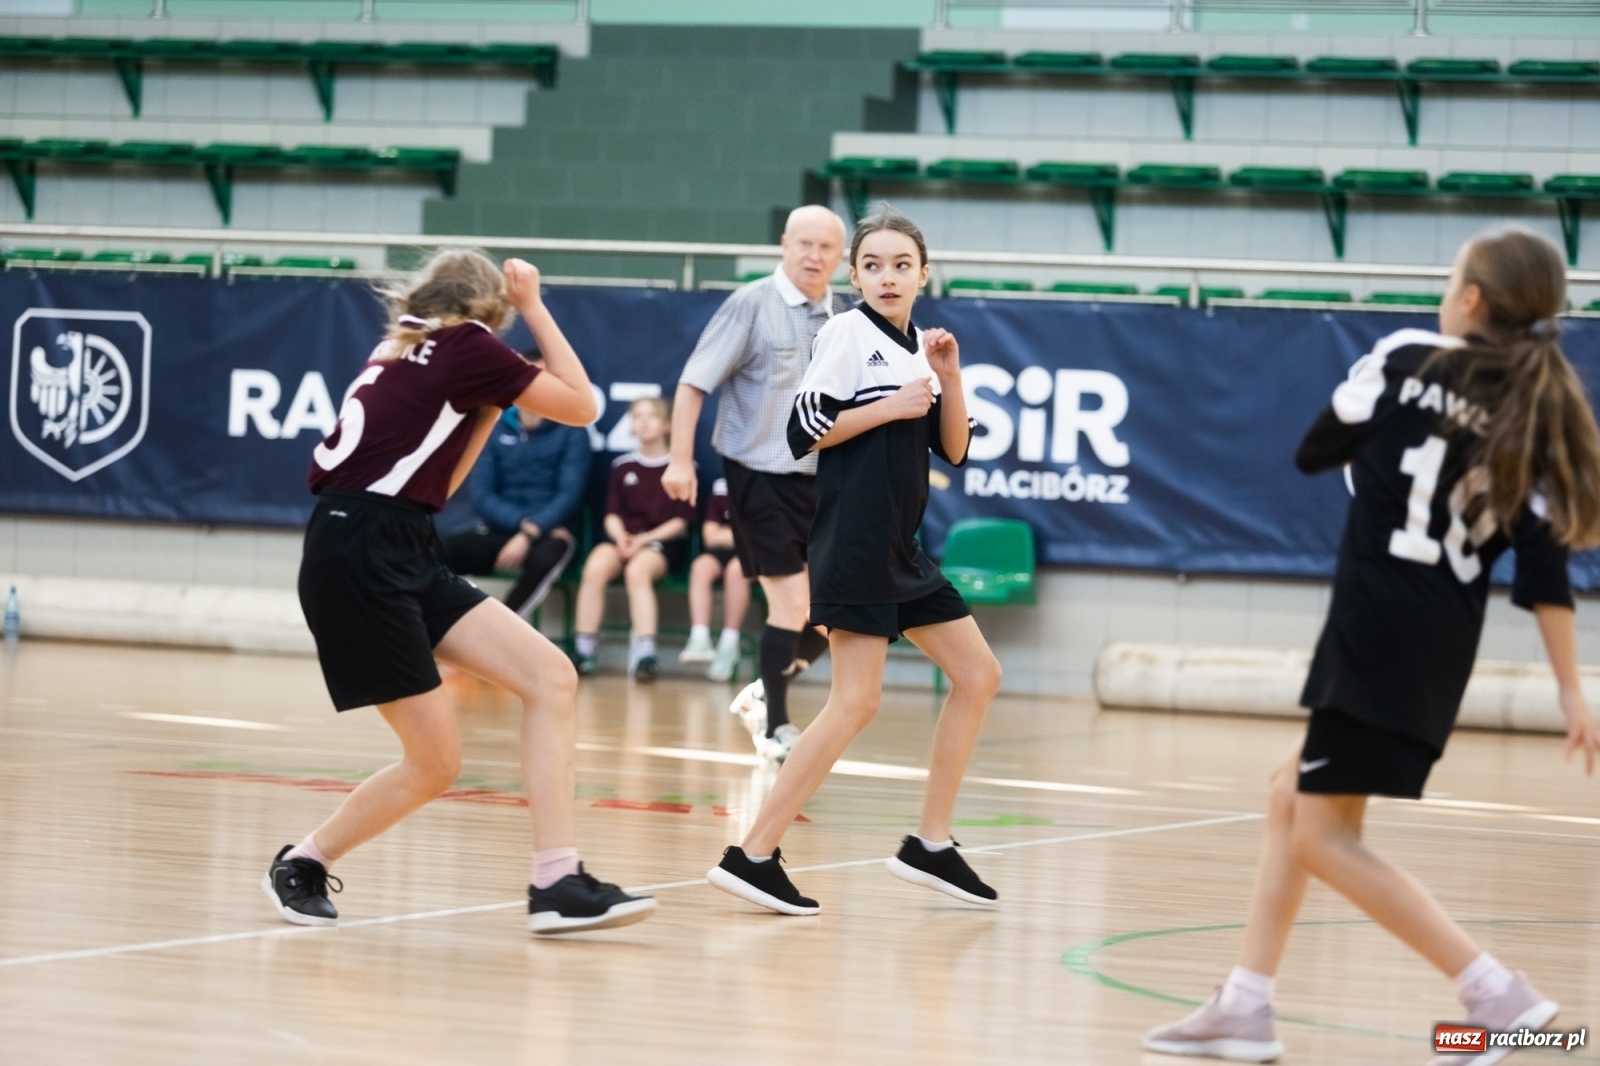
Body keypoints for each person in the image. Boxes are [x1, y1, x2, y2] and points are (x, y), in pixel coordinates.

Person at [1144, 227, 1600, 1064]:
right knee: (1292, 795)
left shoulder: (1406, 357)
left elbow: (1315, 450)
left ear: (1469, 299)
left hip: (1376, 629)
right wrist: (1574, 692)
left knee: (1322, 837)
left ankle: (1496, 995)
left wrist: (1380, 447)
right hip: (1437, 647)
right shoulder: (1530, 411)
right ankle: (1247, 1004)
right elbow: (1543, 572)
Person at [264, 248, 656, 936]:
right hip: (363, 550)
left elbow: (439, 487)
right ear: (490, 311)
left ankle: (557, 879)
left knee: (549, 677)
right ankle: (304, 860)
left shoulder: (400, 344)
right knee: (436, 761)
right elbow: (583, 404)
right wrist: (534, 302)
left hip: (391, 538)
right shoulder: (466, 343)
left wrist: (486, 408)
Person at [705, 207, 1003, 916]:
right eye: (873, 264)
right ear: (855, 275)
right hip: (855, 544)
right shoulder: (843, 333)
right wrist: (890, 407)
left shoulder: (918, 350)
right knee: (855, 702)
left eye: (902, 264)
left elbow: (954, 450)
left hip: (901, 549)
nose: (888, 275)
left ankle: (930, 843)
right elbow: (802, 430)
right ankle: (752, 856)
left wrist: (947, 379)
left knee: (978, 675)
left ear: (923, 274)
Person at [664, 205, 849, 762]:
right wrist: (679, 460)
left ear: (841, 259)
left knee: (837, 609)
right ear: (784, 245)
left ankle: (766, 691)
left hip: (821, 479)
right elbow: (694, 382)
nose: (814, 256)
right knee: (791, 603)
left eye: (826, 248)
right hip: (759, 474)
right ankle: (776, 728)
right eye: (804, 244)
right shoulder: (751, 304)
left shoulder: (843, 317)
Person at [440, 347, 590, 618]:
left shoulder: (573, 429)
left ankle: (496, 637)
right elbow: (482, 492)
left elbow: (569, 493)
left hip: (551, 532)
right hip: (502, 529)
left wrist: (531, 532)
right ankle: (439, 628)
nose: (536, 385)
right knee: (439, 552)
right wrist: (519, 526)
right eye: (530, 376)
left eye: (543, 376)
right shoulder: (496, 425)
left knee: (547, 557)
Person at [571, 396, 696, 682]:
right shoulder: (622, 466)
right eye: (637, 416)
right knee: (595, 566)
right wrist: (622, 538)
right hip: (624, 541)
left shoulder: (682, 468)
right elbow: (611, 515)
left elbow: (680, 522)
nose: (643, 422)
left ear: (667, 425)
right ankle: (584, 651)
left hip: (662, 545)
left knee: (638, 571)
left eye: (651, 416)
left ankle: (646, 656)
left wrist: (644, 540)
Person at [679, 476, 750, 682]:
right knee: (701, 567)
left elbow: (766, 535)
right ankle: (699, 638)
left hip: (757, 554)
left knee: (737, 571)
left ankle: (729, 643)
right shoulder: (722, 485)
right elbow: (710, 536)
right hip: (723, 552)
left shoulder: (769, 482)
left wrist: (728, 533)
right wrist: (742, 534)